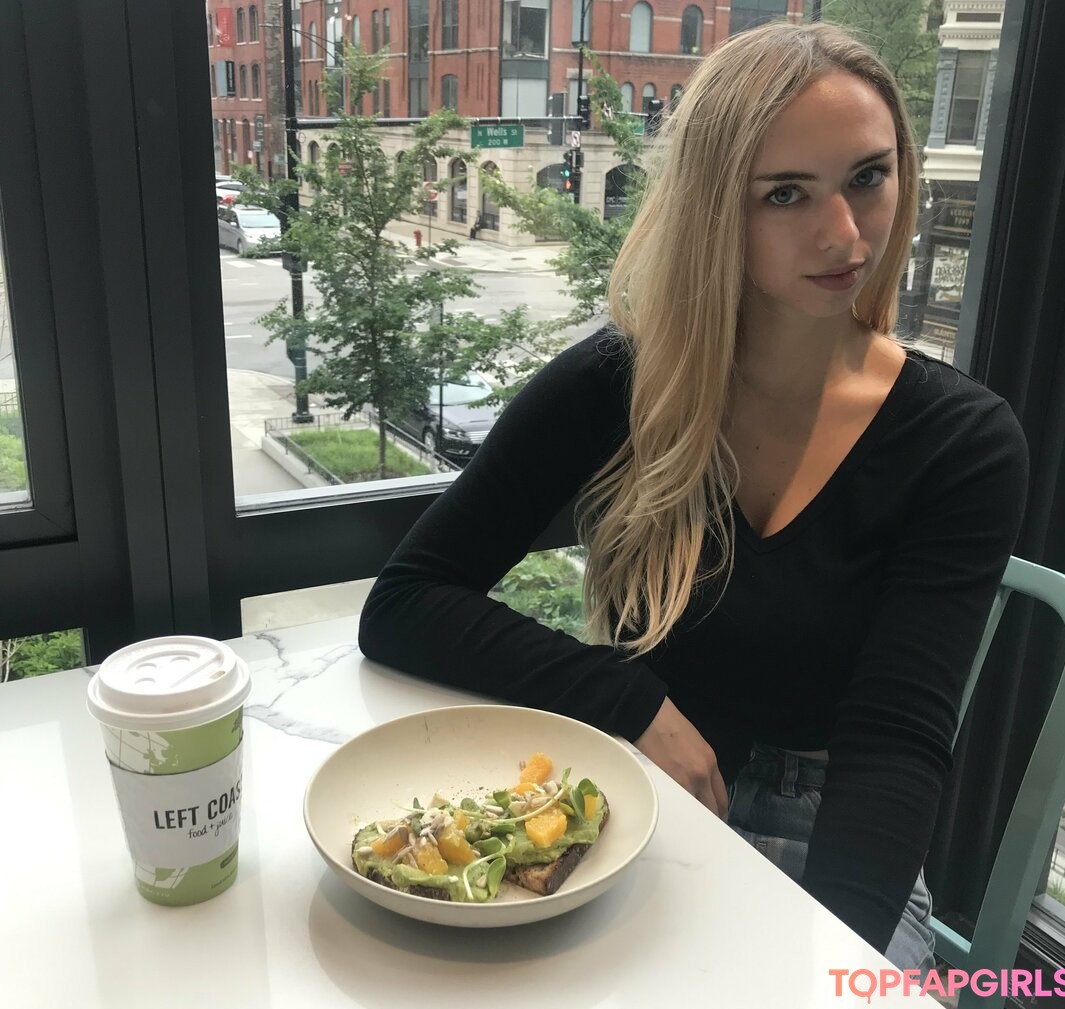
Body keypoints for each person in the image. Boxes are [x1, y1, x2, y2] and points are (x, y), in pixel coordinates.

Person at [359, 22, 1028, 971]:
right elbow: (405, 601)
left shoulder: (961, 442)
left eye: (868, 177)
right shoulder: (618, 384)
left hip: (833, 833)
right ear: (716, 208)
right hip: (637, 793)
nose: (845, 234)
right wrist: (629, 701)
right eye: (786, 193)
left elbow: (894, 746)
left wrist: (827, 965)